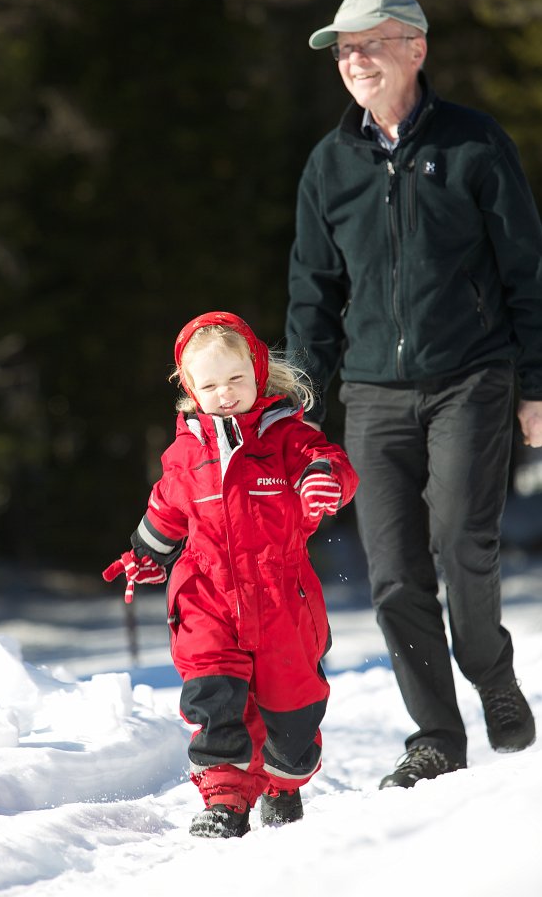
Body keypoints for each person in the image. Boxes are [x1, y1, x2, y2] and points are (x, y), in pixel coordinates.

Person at [286, 0, 542, 790]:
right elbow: (312, 293)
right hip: (373, 393)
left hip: (472, 376)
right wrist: (298, 406)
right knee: (394, 574)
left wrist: (536, 383)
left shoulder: (474, 143)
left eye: (369, 43)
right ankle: (435, 736)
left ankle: (490, 675)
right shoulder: (330, 165)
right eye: (343, 49)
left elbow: (526, 268)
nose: (354, 59)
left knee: (461, 543)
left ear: (416, 48)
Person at [103, 310, 358, 837]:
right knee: (214, 696)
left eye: (236, 378)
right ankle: (225, 799)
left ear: (259, 372)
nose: (225, 393)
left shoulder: (288, 437)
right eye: (210, 385)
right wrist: (146, 554)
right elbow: (167, 508)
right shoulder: (184, 452)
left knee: (292, 711)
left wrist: (322, 480)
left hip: (282, 596)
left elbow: (329, 462)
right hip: (207, 596)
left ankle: (283, 784)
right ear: (190, 388)